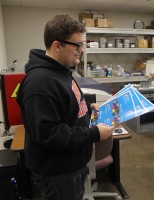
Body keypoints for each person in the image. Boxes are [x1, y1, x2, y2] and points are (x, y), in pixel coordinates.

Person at [17, 15, 115, 200]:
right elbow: (49, 133)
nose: (81, 50)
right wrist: (95, 134)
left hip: (73, 163)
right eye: (77, 45)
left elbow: (66, 99)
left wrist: (87, 105)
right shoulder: (39, 83)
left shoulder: (61, 70)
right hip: (58, 172)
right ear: (57, 45)